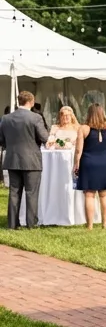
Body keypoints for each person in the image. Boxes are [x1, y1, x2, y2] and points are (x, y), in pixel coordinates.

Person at [0, 91, 46, 229]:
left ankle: (12, 224)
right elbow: (44, 137)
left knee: (14, 192)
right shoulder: (35, 117)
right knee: (31, 193)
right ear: (31, 102)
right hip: (31, 159)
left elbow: (1, 140)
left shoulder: (6, 118)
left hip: (13, 158)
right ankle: (31, 224)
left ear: (18, 101)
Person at [73, 104, 106, 230]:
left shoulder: (83, 128)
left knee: (89, 195)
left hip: (89, 162)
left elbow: (78, 150)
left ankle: (90, 225)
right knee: (105, 195)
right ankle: (105, 224)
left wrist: (76, 163)